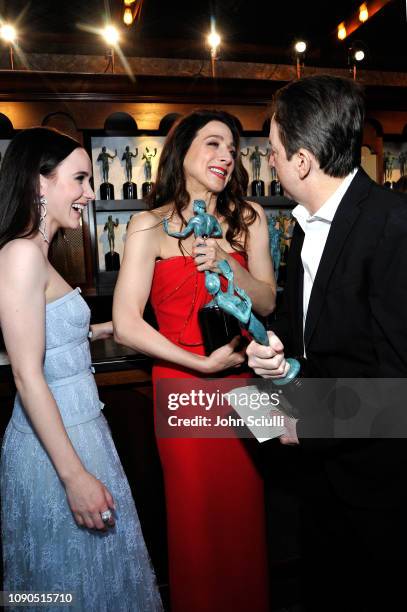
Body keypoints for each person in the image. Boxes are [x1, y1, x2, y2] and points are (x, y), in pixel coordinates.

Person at [246, 75, 407, 610]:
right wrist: (274, 352)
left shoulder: (393, 225)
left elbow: (398, 386)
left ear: (303, 161)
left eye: (272, 152)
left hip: (380, 489)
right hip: (321, 483)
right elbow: (310, 337)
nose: (268, 162)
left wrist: (306, 425)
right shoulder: (303, 225)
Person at [113, 109, 276, 612]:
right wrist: (198, 366)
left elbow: (267, 302)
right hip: (183, 387)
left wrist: (227, 258)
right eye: (212, 144)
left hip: (248, 388)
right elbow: (126, 323)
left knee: (245, 517)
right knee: (196, 522)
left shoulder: (249, 217)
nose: (226, 156)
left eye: (231, 147)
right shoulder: (147, 225)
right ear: (181, 151)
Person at [0, 127, 163, 611]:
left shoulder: (37, 250)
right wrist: (74, 478)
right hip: (57, 446)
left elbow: (46, 331)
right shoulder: (22, 254)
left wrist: (104, 328)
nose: (90, 194)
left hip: (81, 428)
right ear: (39, 183)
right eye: (80, 179)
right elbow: (28, 376)